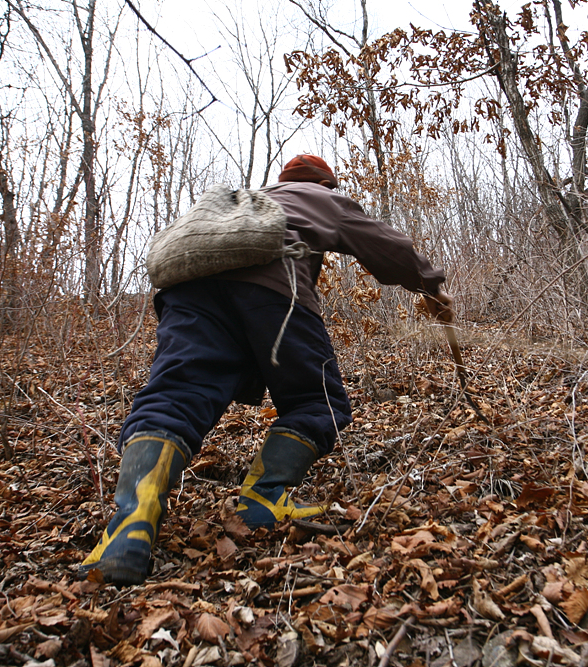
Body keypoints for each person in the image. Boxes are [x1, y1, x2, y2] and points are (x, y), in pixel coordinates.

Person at [79, 154, 454, 585]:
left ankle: (130, 525)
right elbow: (387, 247)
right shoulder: (320, 198)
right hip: (272, 290)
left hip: (188, 293)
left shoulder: (252, 201)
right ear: (326, 182)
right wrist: (431, 285)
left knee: (174, 397)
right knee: (317, 401)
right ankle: (263, 499)